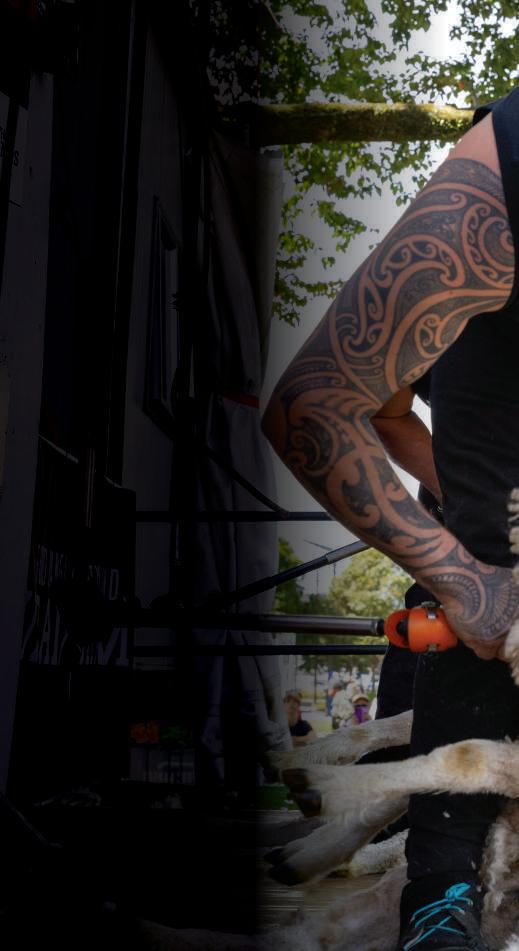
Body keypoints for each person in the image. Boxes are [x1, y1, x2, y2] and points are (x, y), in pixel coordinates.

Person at [263, 87, 519, 950]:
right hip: (485, 611)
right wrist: (470, 568)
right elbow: (332, 405)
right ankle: (436, 897)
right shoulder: (487, 206)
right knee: (452, 863)